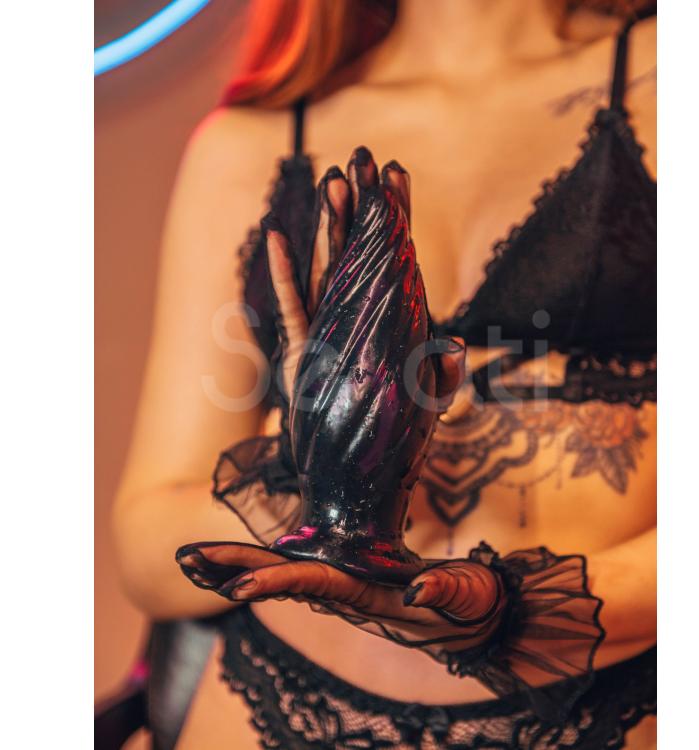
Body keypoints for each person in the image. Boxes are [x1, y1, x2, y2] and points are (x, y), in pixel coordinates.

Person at [112, 1, 657, 747]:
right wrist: (312, 479)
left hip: (599, 697)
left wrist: (509, 612)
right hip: (274, 699)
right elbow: (148, 544)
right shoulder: (250, 143)